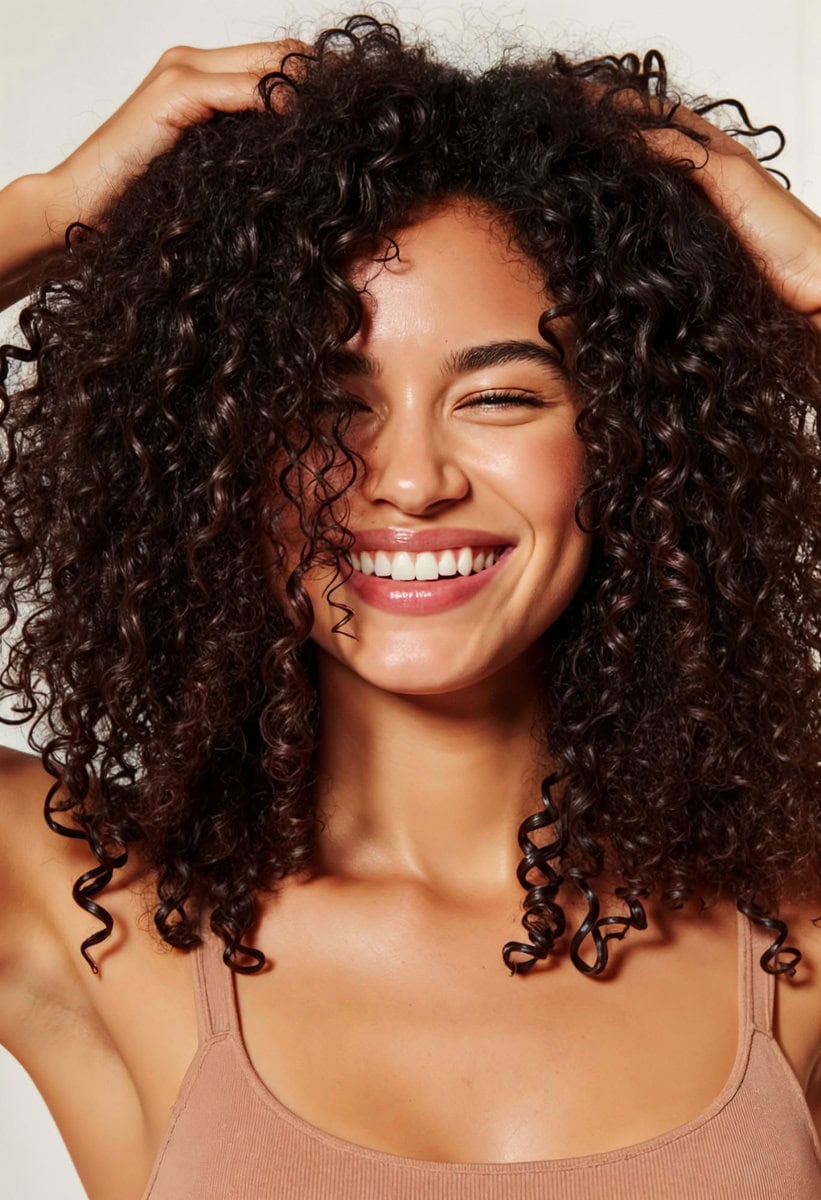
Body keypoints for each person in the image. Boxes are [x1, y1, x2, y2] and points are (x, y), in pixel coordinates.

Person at [0, 13, 819, 1200]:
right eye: (325, 399)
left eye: (497, 397)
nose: (406, 478)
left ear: (634, 438)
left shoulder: (790, 918)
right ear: (213, 447)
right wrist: (52, 205)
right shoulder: (86, 903)